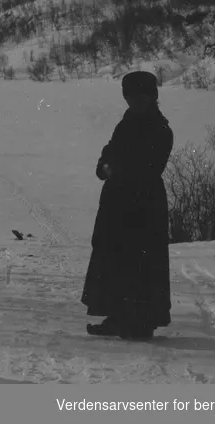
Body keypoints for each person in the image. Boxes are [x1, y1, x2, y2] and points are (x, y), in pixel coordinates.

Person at [81, 70, 174, 341]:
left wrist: (114, 168)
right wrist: (106, 167)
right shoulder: (126, 122)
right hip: (119, 203)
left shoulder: (161, 129)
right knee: (115, 260)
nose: (133, 102)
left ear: (151, 98)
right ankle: (117, 316)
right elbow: (110, 151)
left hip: (144, 206)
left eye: (139, 97)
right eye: (130, 97)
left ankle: (141, 322)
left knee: (142, 263)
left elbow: (148, 167)